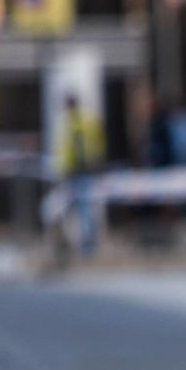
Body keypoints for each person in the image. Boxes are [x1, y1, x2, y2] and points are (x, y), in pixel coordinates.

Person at [56, 93, 105, 259]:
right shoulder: (89, 119)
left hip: (76, 171)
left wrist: (65, 168)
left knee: (79, 207)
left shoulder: (73, 122)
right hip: (88, 168)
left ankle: (84, 246)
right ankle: (84, 243)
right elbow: (99, 142)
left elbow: (70, 150)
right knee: (85, 207)